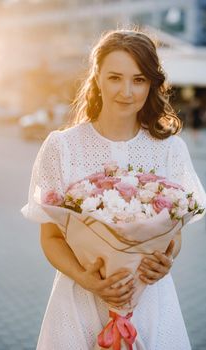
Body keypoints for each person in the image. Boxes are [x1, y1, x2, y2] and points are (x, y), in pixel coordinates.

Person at [21, 29, 206, 350]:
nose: (126, 91)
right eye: (115, 78)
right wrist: (85, 278)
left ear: (152, 84)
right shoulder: (62, 146)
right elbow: (50, 237)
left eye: (138, 79)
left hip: (150, 296)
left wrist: (168, 258)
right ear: (97, 80)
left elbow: (173, 234)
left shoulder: (169, 149)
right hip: (80, 298)